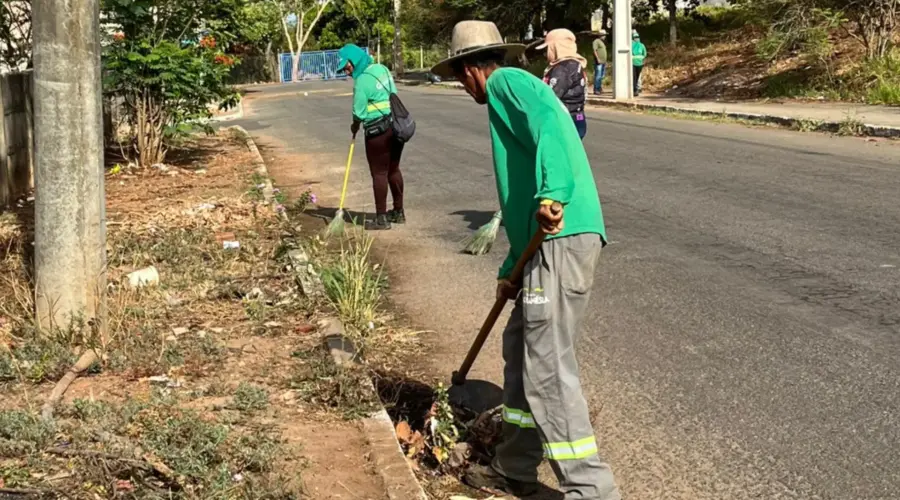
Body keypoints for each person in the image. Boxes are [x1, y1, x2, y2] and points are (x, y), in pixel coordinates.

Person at [431, 21, 620, 500]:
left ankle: (590, 488)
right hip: (541, 247)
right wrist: (510, 270)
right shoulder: (504, 91)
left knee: (547, 366)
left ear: (469, 69)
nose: (461, 84)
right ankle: (514, 465)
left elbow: (553, 127)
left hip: (562, 236)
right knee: (520, 350)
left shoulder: (507, 82)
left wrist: (553, 192)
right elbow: (518, 200)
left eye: (458, 75)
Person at [337, 43, 405, 230]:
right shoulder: (382, 69)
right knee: (393, 169)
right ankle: (398, 212)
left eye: (347, 66)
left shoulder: (361, 82)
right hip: (396, 126)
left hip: (377, 132)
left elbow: (358, 112)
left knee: (379, 173)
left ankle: (381, 218)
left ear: (355, 60)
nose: (346, 71)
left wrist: (354, 125)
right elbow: (393, 94)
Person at [538, 29, 588, 140]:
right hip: (578, 117)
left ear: (555, 47)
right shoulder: (575, 64)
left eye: (547, 48)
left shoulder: (563, 69)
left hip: (565, 120)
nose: (545, 53)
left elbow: (550, 96)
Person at [631, 30, 647, 96]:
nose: (637, 38)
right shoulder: (631, 45)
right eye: (635, 37)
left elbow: (645, 53)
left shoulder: (641, 45)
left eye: (637, 37)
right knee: (634, 77)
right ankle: (635, 89)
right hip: (633, 63)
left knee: (638, 76)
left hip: (639, 63)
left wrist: (641, 58)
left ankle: (637, 88)